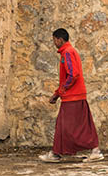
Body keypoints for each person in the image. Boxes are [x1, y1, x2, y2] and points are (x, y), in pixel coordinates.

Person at [39, 27, 103, 163]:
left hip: (72, 96)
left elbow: (73, 75)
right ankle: (93, 150)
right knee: (79, 125)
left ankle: (57, 153)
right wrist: (58, 93)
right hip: (77, 95)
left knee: (65, 126)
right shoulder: (70, 52)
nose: (53, 43)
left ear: (60, 39)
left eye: (54, 40)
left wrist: (60, 92)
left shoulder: (67, 53)